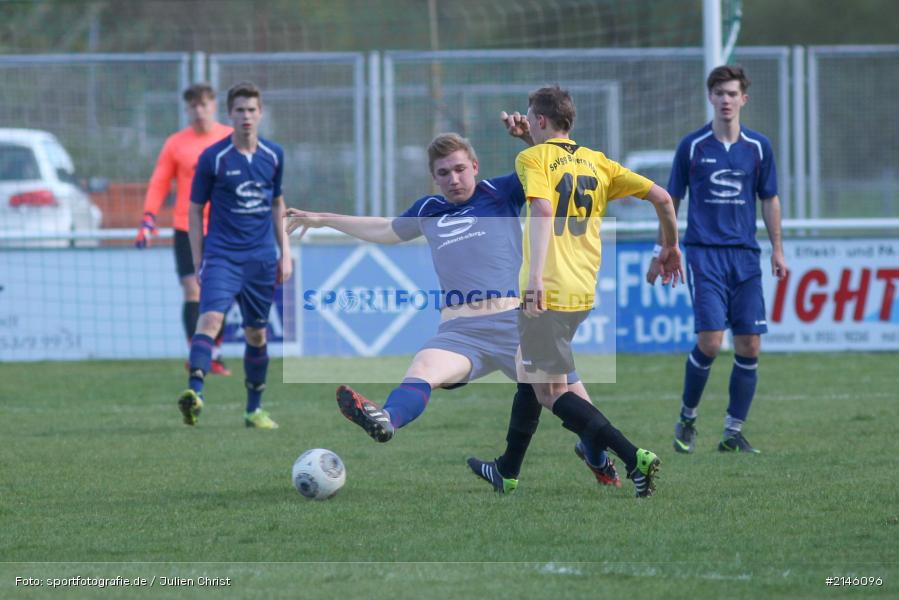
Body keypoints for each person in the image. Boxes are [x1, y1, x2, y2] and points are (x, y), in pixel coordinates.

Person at [285, 132, 622, 492]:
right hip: (460, 333)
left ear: (474, 167)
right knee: (423, 369)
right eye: (443, 173)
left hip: (518, 326)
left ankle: (598, 461)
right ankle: (386, 419)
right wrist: (323, 218)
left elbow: (549, 173)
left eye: (460, 169)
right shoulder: (428, 209)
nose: (453, 178)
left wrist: (530, 140)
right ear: (435, 178)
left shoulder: (500, 192)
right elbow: (384, 229)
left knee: (579, 410)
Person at [469, 85, 684, 498]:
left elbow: (545, 207)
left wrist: (534, 281)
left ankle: (632, 456)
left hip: (546, 291)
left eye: (531, 117)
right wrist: (669, 246)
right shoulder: (597, 162)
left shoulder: (531, 158)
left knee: (550, 391)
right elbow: (663, 198)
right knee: (529, 373)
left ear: (543, 120)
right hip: (582, 290)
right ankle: (507, 470)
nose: (526, 122)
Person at [647, 65, 787, 454]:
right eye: (719, 93)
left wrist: (777, 248)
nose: (725, 100)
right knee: (710, 342)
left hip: (744, 255)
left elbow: (769, 198)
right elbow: (669, 201)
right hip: (704, 254)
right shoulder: (692, 147)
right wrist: (661, 252)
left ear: (744, 98)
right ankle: (688, 418)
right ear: (710, 97)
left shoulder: (758, 148)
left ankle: (732, 432)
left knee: (750, 346)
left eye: (732, 93)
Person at [177, 82, 292, 429]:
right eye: (240, 110)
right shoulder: (213, 158)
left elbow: (277, 204)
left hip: (260, 259)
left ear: (261, 113)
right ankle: (194, 393)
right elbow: (194, 210)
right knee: (209, 320)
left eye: (252, 110)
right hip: (223, 256)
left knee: (257, 335)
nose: (246, 116)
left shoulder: (274, 156)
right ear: (230, 114)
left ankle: (253, 410)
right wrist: (199, 260)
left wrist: (285, 253)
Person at [135, 83, 233, 376]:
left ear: (214, 106)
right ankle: (198, 355)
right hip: (185, 228)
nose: (199, 110)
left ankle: (212, 354)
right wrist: (148, 218)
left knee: (218, 293)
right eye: (193, 106)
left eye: (204, 104)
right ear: (187, 109)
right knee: (192, 290)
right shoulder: (176, 143)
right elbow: (159, 182)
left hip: (223, 227)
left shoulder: (229, 138)